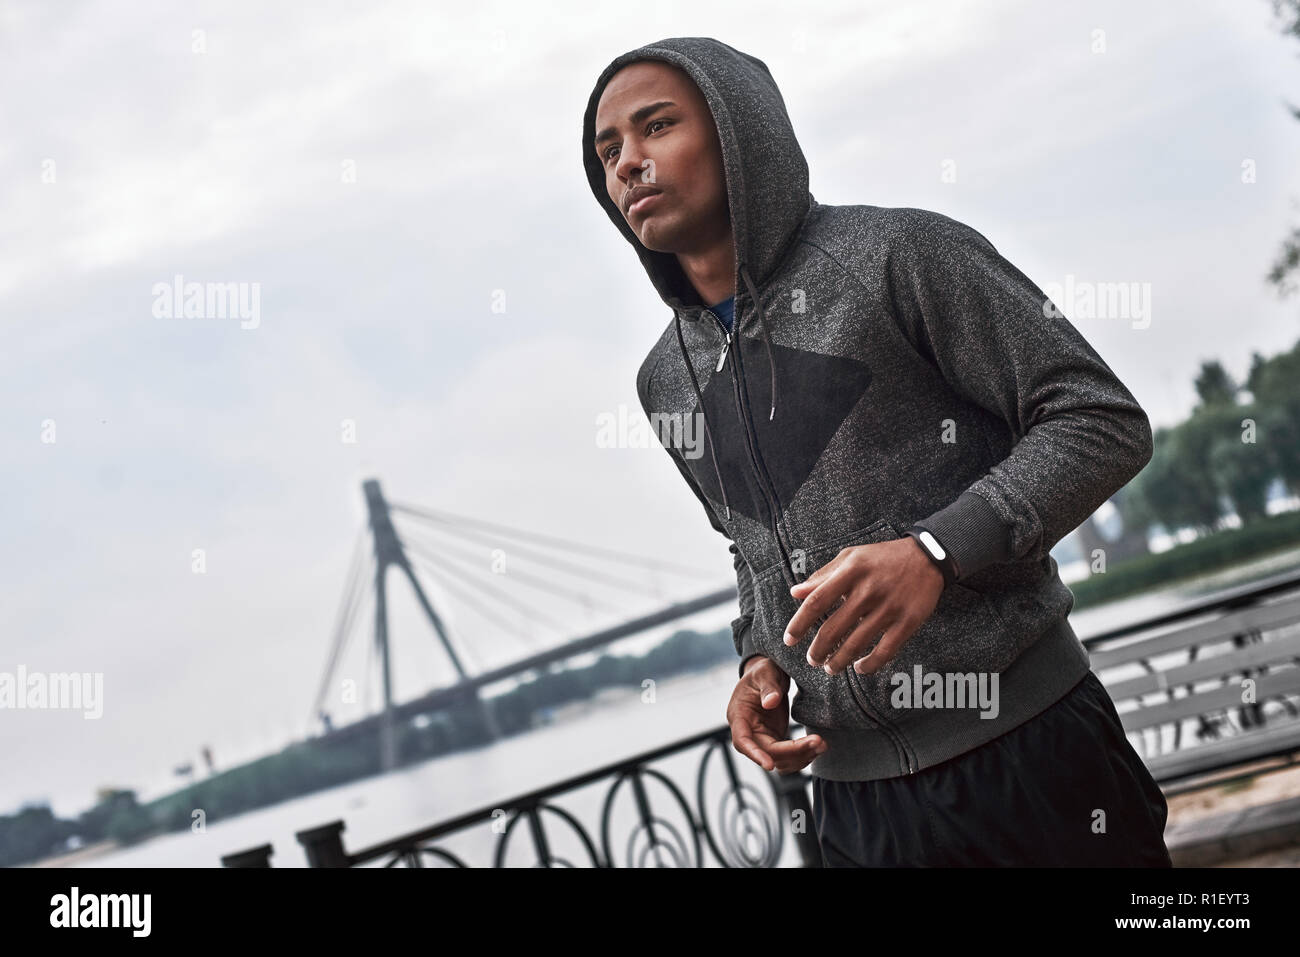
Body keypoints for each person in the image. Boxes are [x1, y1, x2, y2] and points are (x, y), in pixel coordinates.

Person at [582, 36, 1171, 866]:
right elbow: (750, 543)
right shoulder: (665, 382)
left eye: (656, 127)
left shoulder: (901, 255)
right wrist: (759, 655)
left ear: (738, 131)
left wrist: (936, 551)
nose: (629, 163)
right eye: (609, 151)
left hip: (1030, 757)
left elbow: (1100, 420)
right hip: (855, 813)